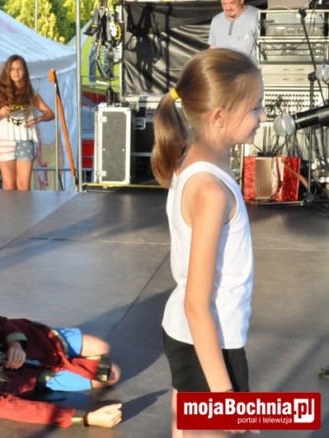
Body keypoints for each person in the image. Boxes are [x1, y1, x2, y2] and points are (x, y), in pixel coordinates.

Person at [151, 48, 265, 436]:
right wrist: (226, 397)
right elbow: (196, 304)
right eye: (255, 108)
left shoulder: (195, 161)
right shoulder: (210, 191)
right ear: (218, 117)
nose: (262, 116)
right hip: (208, 342)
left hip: (194, 339)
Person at [0, 55, 54, 191]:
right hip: (4, 139)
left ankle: (24, 206)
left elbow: (50, 114)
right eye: (12, 69)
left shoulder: (30, 92)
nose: (16, 72)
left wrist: (37, 119)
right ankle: (9, 206)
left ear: (24, 71)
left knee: (23, 185)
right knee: (9, 185)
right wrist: (0, 112)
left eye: (20, 69)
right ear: (7, 71)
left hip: (25, 139)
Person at [208, 0, 259, 64]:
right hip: (222, 68)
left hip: (248, 68)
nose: (228, 8)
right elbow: (213, 48)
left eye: (232, 3)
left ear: (241, 1)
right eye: (224, 4)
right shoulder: (216, 20)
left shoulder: (257, 16)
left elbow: (267, 49)